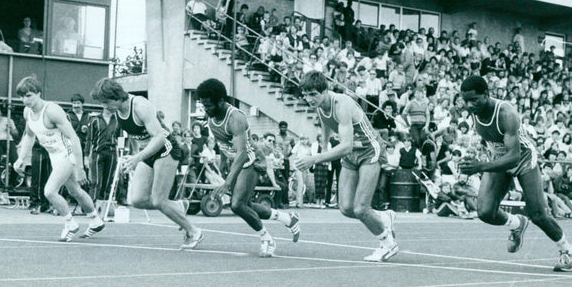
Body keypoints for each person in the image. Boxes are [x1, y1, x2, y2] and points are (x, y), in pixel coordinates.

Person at [458, 75, 572, 272]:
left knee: (538, 214)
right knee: (485, 213)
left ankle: (567, 251)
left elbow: (513, 157)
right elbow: (489, 138)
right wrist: (471, 162)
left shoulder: (506, 113)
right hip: (498, 159)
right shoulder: (474, 112)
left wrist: (480, 167)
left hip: (522, 160)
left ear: (486, 95)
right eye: (465, 101)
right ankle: (516, 223)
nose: (469, 105)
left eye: (474, 100)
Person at [296, 71, 398, 262]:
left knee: (360, 208)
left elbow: (346, 145)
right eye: (305, 94)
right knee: (345, 208)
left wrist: (315, 158)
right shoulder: (319, 106)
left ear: (325, 90)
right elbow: (326, 123)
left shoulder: (342, 104)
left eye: (313, 94)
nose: (308, 99)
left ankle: (388, 243)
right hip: (352, 155)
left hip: (369, 150)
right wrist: (325, 146)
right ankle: (384, 217)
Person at [90, 78, 202, 249]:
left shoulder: (140, 106)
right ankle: (178, 206)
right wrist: (136, 157)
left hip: (166, 149)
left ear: (117, 97)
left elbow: (160, 137)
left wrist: (137, 158)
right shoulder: (118, 111)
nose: (104, 107)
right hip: (148, 153)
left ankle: (193, 231)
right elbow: (136, 138)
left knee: (159, 200)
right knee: (137, 199)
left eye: (106, 102)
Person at [196, 79, 300, 256]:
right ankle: (287, 218)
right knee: (246, 204)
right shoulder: (212, 116)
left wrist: (227, 183)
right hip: (236, 161)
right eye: (203, 105)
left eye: (208, 105)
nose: (206, 109)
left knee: (237, 205)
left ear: (220, 101)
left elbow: (243, 153)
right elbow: (224, 146)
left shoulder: (235, 118)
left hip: (251, 160)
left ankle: (266, 238)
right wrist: (223, 168)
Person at [12, 76, 104, 241]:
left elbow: (74, 138)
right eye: (21, 96)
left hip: (67, 154)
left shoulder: (52, 111)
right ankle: (95, 220)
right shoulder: (28, 112)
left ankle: (70, 224)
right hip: (54, 155)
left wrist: (80, 167)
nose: (24, 100)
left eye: (28, 95)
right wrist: (20, 158)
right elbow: (29, 136)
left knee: (49, 191)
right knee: (75, 190)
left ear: (38, 93)